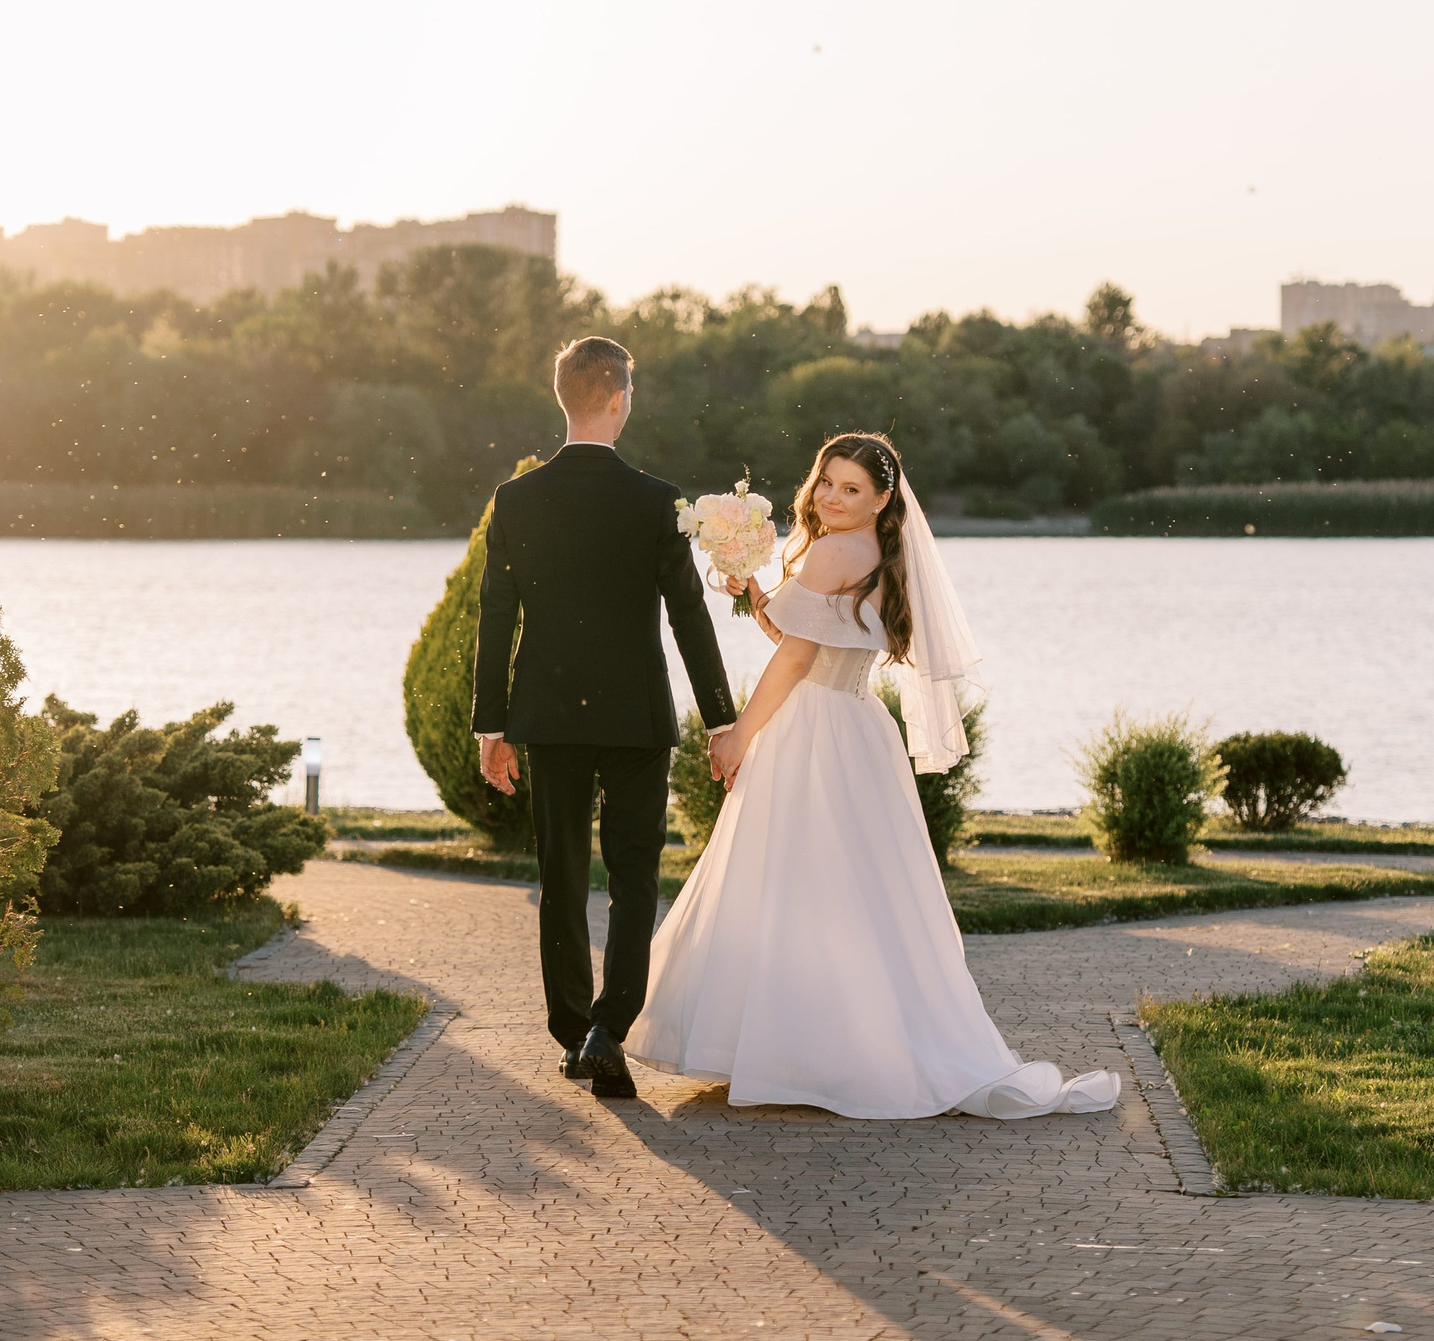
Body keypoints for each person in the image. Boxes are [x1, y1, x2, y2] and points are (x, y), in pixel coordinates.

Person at [628, 432, 1120, 1119]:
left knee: (795, 880)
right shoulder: (882, 556)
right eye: (826, 481)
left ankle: (797, 1050)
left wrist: (742, 731)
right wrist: (756, 592)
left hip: (811, 729)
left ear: (883, 499)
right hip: (858, 729)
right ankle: (849, 1040)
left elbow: (797, 661)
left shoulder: (831, 551)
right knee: (856, 886)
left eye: (851, 488)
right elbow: (811, 640)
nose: (830, 495)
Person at [471, 336, 737, 1099]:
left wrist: (491, 725)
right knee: (633, 872)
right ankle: (608, 1027)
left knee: (560, 874)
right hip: (636, 718)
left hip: (547, 717)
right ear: (619, 399)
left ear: (565, 399)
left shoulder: (515, 500)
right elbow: (689, 618)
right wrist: (722, 719)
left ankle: (573, 1028)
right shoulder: (656, 500)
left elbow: (497, 618)